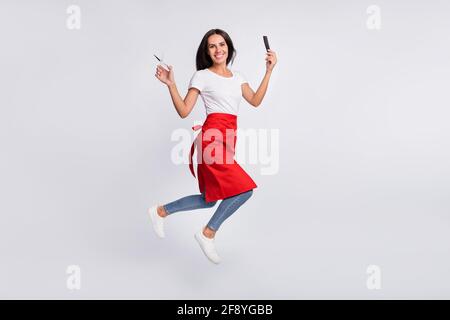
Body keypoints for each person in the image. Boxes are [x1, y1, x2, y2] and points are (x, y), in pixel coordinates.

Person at [149, 28, 277, 264]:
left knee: (209, 199)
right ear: (206, 52)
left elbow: (256, 101)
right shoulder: (202, 76)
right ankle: (208, 233)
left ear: (228, 47)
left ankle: (160, 211)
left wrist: (269, 71)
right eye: (212, 46)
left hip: (229, 138)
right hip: (211, 138)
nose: (218, 49)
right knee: (244, 189)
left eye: (222, 44)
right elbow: (184, 111)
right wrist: (171, 84)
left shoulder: (238, 77)